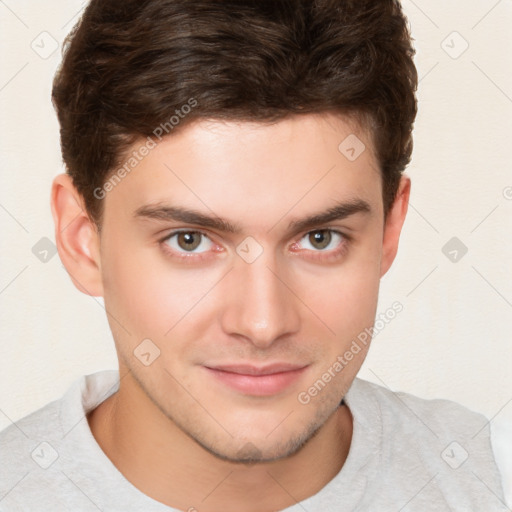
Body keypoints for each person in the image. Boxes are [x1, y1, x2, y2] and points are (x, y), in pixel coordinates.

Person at [0, 0, 509, 510]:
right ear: (81, 239)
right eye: (189, 240)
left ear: (389, 230)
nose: (263, 324)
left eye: (319, 238)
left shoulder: (489, 474)